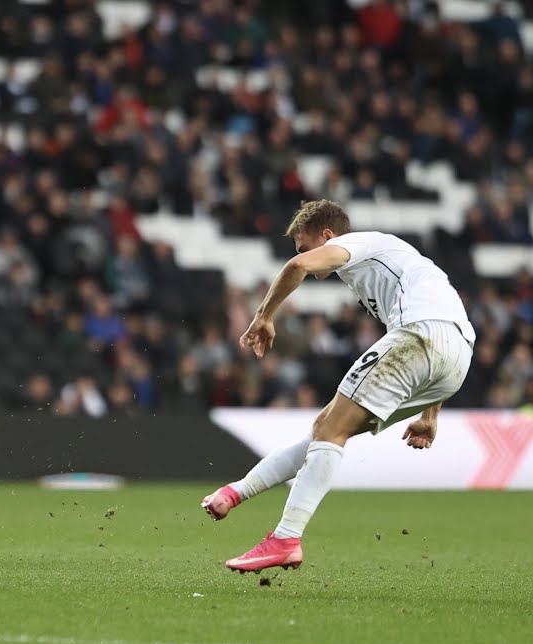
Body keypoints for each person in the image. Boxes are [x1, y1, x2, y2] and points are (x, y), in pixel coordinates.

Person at [202, 200, 475, 572]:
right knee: (327, 431)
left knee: (329, 430)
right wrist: (430, 414)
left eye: (305, 244)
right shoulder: (395, 264)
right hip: (456, 360)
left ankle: (285, 538)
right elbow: (444, 326)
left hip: (421, 336)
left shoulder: (360, 244)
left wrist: (264, 316)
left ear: (327, 236)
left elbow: (297, 266)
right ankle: (235, 493)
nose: (302, 255)